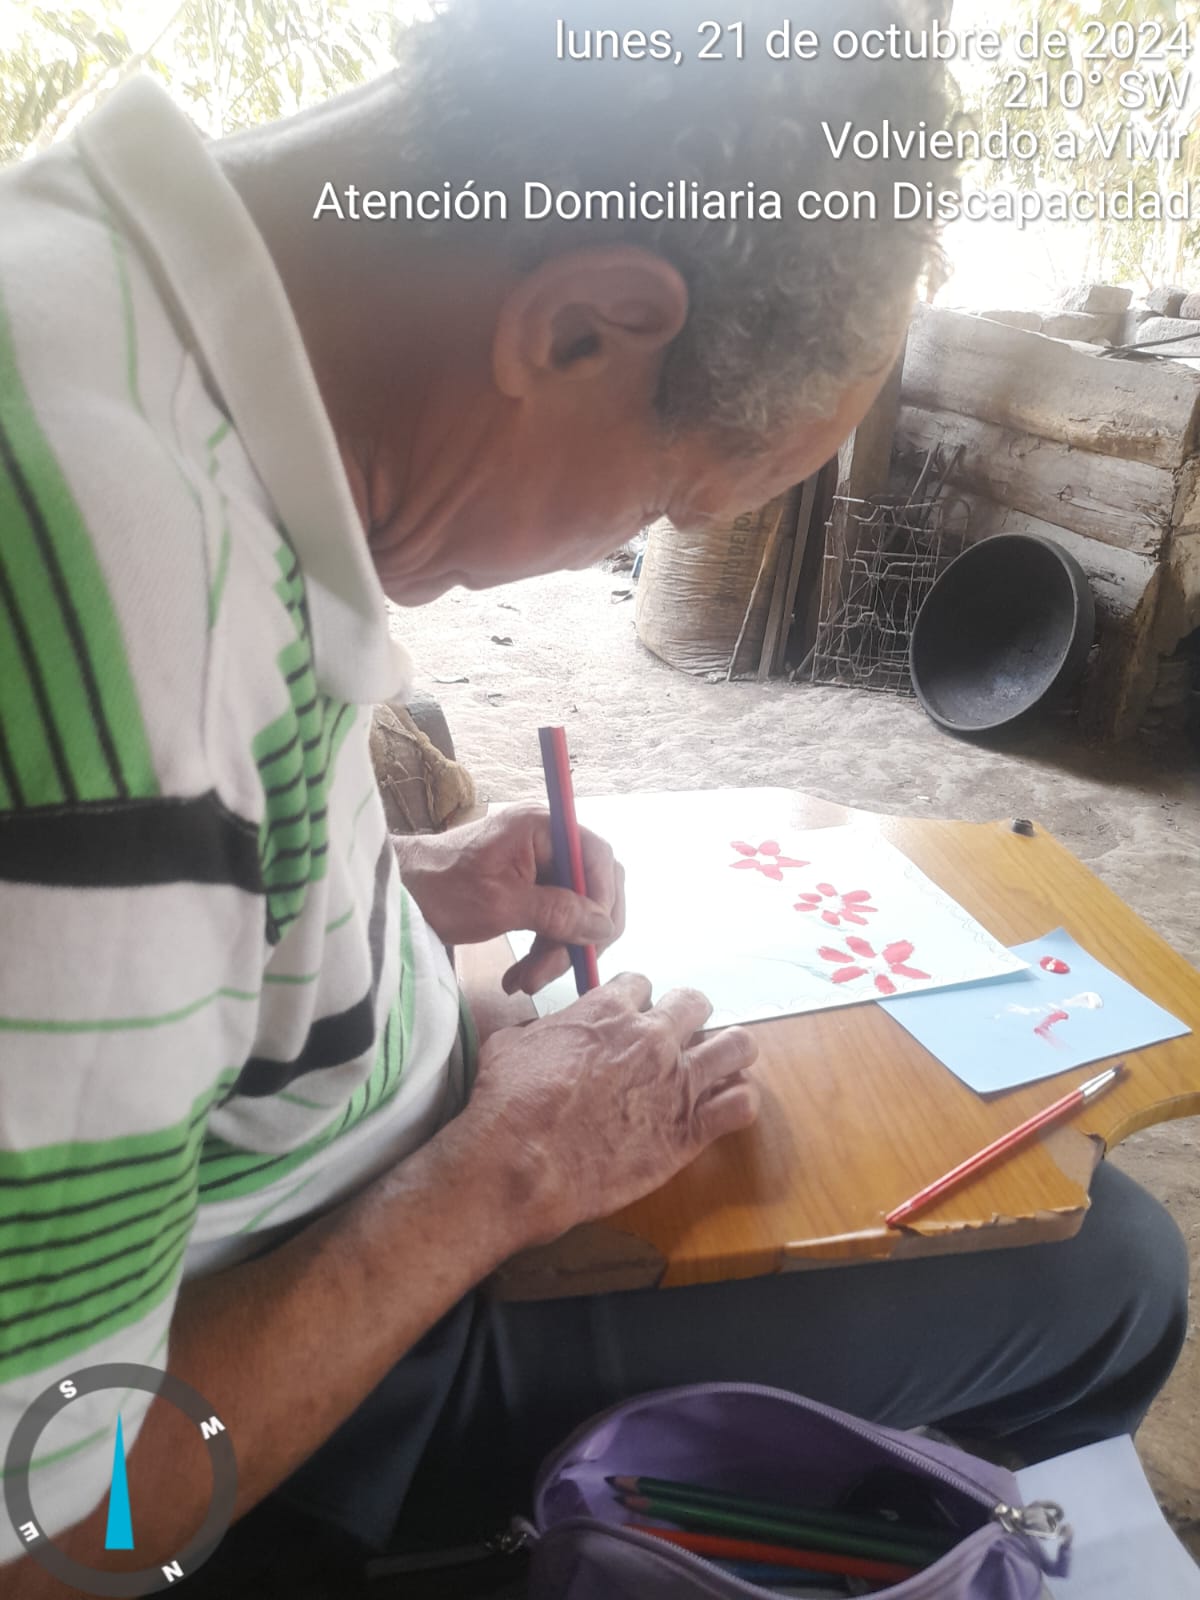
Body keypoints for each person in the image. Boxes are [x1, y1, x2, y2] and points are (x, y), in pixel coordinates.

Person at [0, 2, 1187, 1593]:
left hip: (379, 1155)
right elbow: (56, 1524)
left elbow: (128, 934)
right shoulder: (125, 620)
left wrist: (410, 876)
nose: (621, 545)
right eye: (669, 502)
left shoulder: (88, 278)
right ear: (577, 330)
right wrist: (499, 1181)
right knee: (1112, 1280)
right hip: (329, 1394)